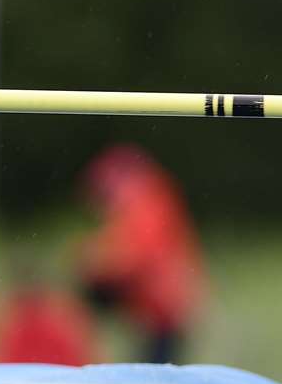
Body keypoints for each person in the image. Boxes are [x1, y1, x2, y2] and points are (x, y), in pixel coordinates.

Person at [77, 145, 208, 364]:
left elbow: (137, 256)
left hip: (163, 309)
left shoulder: (144, 202)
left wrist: (93, 262)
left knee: (156, 373)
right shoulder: (146, 200)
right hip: (157, 307)